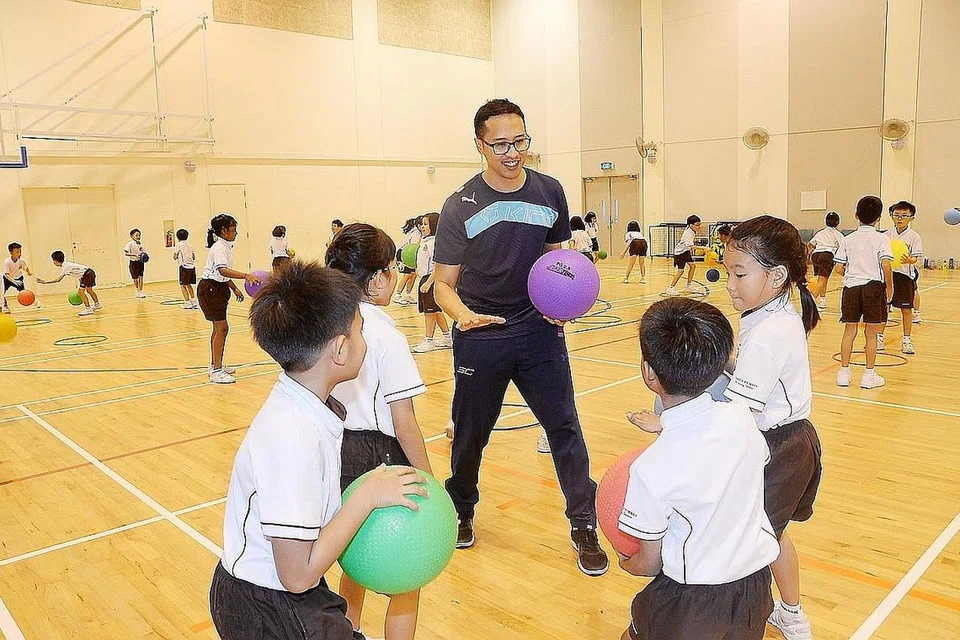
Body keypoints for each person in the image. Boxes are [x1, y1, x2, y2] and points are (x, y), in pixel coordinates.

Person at [433, 98, 608, 576]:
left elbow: (558, 264)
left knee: (566, 428)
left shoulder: (550, 191)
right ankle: (463, 506)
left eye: (521, 142)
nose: (513, 153)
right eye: (501, 144)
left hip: (538, 333)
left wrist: (563, 304)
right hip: (481, 334)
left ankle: (583, 523)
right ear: (479, 145)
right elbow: (441, 284)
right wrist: (464, 317)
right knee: (470, 436)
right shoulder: (460, 205)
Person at [210, 260, 426, 640]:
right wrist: (366, 498)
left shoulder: (308, 406)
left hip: (275, 598)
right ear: (340, 350)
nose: (365, 341)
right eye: (361, 332)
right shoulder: (293, 436)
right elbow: (296, 575)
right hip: (269, 605)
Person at [618, 297, 779, 640]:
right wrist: (668, 425)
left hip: (692, 600)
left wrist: (625, 563)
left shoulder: (650, 468)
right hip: (754, 587)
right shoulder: (742, 418)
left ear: (649, 372)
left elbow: (649, 564)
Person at [326, 223, 432, 640]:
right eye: (391, 267)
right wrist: (431, 483)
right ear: (376, 279)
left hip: (340, 453)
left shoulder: (330, 324)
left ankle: (346, 632)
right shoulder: (386, 335)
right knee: (406, 575)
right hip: (383, 458)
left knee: (356, 560)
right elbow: (404, 423)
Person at [722, 215, 822, 640]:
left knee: (753, 540)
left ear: (777, 276)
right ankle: (792, 615)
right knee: (774, 533)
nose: (729, 284)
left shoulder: (766, 332)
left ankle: (749, 622)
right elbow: (751, 372)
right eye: (727, 272)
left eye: (739, 274)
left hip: (776, 448)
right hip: (795, 441)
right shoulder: (774, 314)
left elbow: (737, 410)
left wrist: (671, 420)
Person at [834, 196, 893, 389]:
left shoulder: (847, 239)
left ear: (856, 215)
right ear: (879, 218)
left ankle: (843, 373)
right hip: (872, 287)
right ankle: (868, 375)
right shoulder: (882, 239)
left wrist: (850, 273)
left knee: (849, 331)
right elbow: (886, 264)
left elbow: (839, 268)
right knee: (871, 333)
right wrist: (889, 288)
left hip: (851, 288)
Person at [198, 213, 261, 385]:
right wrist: (246, 276)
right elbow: (222, 271)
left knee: (219, 329)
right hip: (211, 289)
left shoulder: (225, 246)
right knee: (221, 328)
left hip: (216, 288)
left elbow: (222, 274)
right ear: (224, 230)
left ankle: (215, 365)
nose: (236, 232)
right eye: (233, 229)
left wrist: (234, 288)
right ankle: (216, 371)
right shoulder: (219, 248)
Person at [880, 201, 922, 355]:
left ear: (911, 218)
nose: (899, 219)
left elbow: (916, 257)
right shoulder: (886, 236)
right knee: (884, 307)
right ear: (891, 216)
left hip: (905, 276)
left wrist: (909, 260)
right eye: (896, 215)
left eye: (904, 216)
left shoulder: (914, 237)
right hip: (888, 275)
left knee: (906, 309)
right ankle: (879, 337)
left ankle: (906, 340)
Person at [411, 212, 451, 353]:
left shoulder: (434, 242)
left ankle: (429, 340)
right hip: (424, 278)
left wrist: (428, 282)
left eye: (426, 224)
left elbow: (438, 265)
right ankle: (447, 337)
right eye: (422, 224)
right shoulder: (426, 241)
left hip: (430, 280)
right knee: (435, 310)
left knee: (429, 312)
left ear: (433, 225)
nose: (422, 226)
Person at [37, 251, 100, 316]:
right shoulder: (67, 264)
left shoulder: (66, 267)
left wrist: (45, 282)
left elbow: (58, 280)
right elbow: (79, 272)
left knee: (81, 292)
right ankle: (97, 304)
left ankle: (88, 309)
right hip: (90, 272)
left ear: (55, 261)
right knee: (89, 290)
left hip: (86, 275)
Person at [807, 212, 844, 309]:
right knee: (822, 281)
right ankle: (810, 301)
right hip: (826, 256)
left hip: (816, 255)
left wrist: (809, 255)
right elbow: (843, 247)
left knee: (822, 279)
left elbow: (810, 245)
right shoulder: (838, 234)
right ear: (837, 222)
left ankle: (822, 301)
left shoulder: (820, 233)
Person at [663, 214, 703, 296]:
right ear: (691, 225)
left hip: (686, 251)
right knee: (681, 271)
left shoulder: (692, 231)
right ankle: (670, 288)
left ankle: (689, 285)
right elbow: (691, 246)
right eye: (697, 225)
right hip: (680, 253)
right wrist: (703, 248)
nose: (699, 226)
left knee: (693, 266)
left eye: (700, 224)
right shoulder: (687, 233)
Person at [2, 242, 41, 312]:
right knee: (1, 293)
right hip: (7, 279)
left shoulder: (22, 261)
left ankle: (35, 301)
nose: (19, 254)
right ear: (11, 252)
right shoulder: (7, 262)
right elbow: (6, 274)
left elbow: (25, 268)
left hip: (18, 278)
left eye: (20, 252)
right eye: (17, 252)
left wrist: (29, 273)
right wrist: (14, 281)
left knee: (23, 291)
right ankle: (5, 307)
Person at [394, 217, 422, 306]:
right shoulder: (416, 233)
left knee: (413, 275)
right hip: (405, 255)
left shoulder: (418, 233)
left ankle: (407, 294)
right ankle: (397, 295)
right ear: (418, 225)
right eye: (422, 224)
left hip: (410, 255)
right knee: (407, 275)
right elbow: (412, 248)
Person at [173, 229, 198, 310]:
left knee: (183, 285)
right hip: (192, 267)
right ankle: (194, 301)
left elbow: (175, 256)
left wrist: (175, 257)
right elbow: (193, 256)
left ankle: (187, 302)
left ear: (177, 237)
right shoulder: (190, 245)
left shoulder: (178, 245)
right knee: (189, 284)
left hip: (184, 267)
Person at [123, 228, 147, 299]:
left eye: (139, 235)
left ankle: (141, 291)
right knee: (135, 278)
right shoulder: (129, 244)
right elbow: (126, 253)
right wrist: (134, 255)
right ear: (132, 236)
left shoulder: (141, 244)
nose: (138, 237)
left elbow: (144, 252)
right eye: (136, 235)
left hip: (140, 262)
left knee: (141, 277)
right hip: (133, 262)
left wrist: (144, 256)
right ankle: (137, 290)